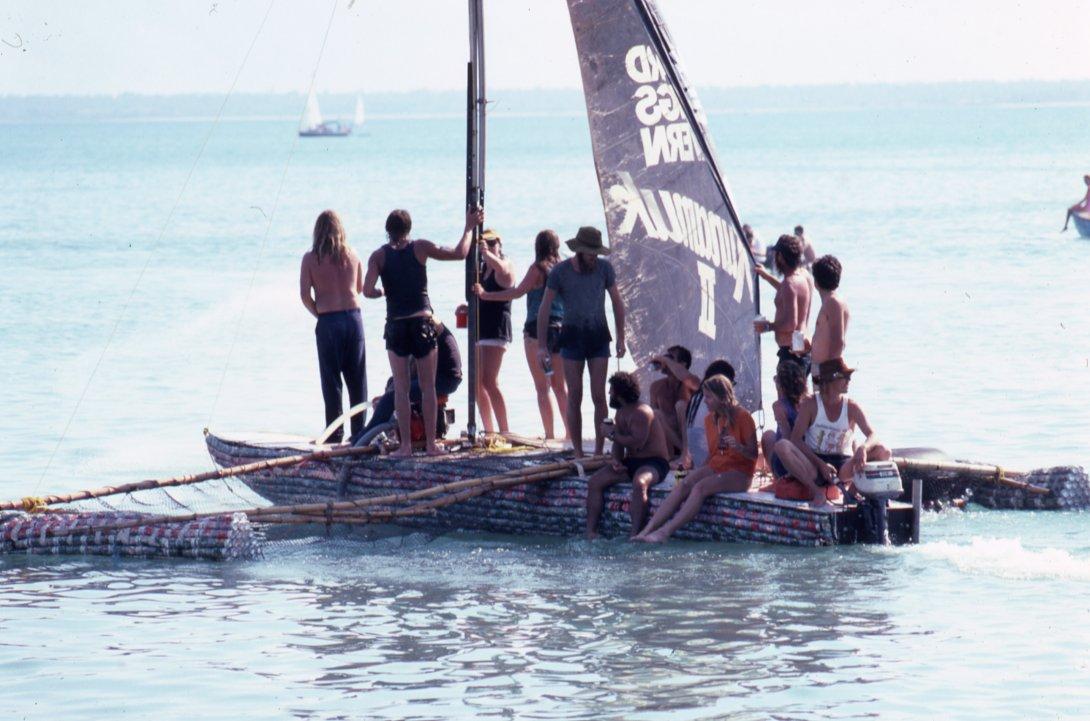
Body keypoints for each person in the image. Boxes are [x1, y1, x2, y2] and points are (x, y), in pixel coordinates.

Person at [363, 206, 483, 457]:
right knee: (428, 388)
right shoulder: (420, 247)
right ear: (409, 229)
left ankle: (405, 446)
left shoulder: (379, 256)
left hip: (396, 324)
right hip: (422, 323)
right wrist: (469, 228)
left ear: (387, 230)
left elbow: (367, 291)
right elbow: (460, 253)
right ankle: (430, 445)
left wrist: (383, 291)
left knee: (401, 389)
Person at [536, 226, 626, 458]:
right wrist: (541, 346)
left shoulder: (605, 269)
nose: (594, 257)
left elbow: (617, 302)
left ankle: (598, 451)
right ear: (580, 250)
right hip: (571, 338)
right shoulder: (560, 272)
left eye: (596, 253)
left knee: (599, 395)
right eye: (590, 253)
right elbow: (544, 307)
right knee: (574, 395)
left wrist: (621, 337)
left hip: (598, 336)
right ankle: (577, 451)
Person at [635, 374, 758, 543]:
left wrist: (738, 447)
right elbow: (714, 454)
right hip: (718, 466)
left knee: (700, 488)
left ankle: (664, 533)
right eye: (704, 396)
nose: (704, 401)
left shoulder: (743, 416)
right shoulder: (710, 419)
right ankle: (647, 529)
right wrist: (696, 471)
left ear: (722, 397)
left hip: (740, 472)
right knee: (684, 483)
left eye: (708, 397)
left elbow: (753, 454)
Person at [474, 229, 568, 439]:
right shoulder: (562, 269)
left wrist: (486, 295)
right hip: (560, 327)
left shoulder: (537, 269)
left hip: (537, 330)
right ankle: (570, 433)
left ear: (538, 247)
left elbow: (517, 292)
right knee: (560, 387)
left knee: (542, 387)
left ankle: (550, 435)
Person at [774, 358, 892, 507]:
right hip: (814, 463)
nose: (849, 380)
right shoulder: (810, 404)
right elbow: (795, 439)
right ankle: (816, 491)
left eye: (849, 376)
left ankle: (852, 492)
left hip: (843, 465)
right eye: (845, 376)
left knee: (884, 451)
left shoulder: (852, 407)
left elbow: (873, 435)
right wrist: (821, 464)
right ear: (830, 380)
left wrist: (863, 448)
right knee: (782, 446)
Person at [299, 210, 367, 443]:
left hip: (328, 321)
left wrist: (320, 313)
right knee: (357, 380)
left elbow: (304, 295)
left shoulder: (311, 259)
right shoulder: (353, 255)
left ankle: (335, 434)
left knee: (331, 381)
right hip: (353, 319)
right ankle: (359, 433)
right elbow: (359, 288)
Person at [585, 372, 670, 539]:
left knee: (639, 482)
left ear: (620, 393)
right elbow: (619, 443)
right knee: (594, 482)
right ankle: (590, 531)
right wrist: (616, 461)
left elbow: (637, 443)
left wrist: (611, 434)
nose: (609, 393)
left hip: (655, 462)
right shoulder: (621, 412)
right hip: (632, 461)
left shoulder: (642, 412)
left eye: (611, 389)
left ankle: (635, 533)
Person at [357, 319, 462, 438]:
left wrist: (387, 398)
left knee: (392, 397)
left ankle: (364, 436)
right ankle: (386, 431)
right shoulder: (423, 320)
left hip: (445, 378)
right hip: (441, 375)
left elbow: (412, 368)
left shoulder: (422, 326)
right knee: (392, 386)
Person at [473, 228, 515, 435]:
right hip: (482, 328)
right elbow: (480, 296)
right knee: (477, 383)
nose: (488, 247)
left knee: (490, 380)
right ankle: (489, 430)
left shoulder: (504, 264)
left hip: (497, 328)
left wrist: (486, 252)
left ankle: (504, 430)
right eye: (485, 244)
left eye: (492, 243)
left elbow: (503, 269)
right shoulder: (482, 269)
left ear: (499, 244)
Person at [754, 234, 812, 376]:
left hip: (790, 354)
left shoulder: (789, 283)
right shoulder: (802, 278)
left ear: (780, 257)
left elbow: (790, 324)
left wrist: (768, 326)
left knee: (788, 391)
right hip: (801, 351)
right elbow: (787, 292)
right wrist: (767, 276)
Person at [760, 361, 809, 479]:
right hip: (807, 458)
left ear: (780, 384)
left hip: (787, 463)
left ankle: (778, 477)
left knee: (768, 436)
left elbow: (787, 438)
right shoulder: (809, 402)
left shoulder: (779, 406)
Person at [648, 345, 693, 457]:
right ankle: (679, 453)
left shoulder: (691, 384)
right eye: (665, 357)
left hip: (689, 437)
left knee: (681, 405)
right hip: (668, 441)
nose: (665, 361)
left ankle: (686, 452)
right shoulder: (656, 386)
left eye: (670, 358)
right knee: (654, 413)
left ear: (682, 365)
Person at [810, 255, 849, 383]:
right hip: (821, 369)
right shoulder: (830, 302)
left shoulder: (833, 302)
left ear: (816, 282)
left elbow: (838, 342)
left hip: (826, 372)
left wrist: (829, 373)